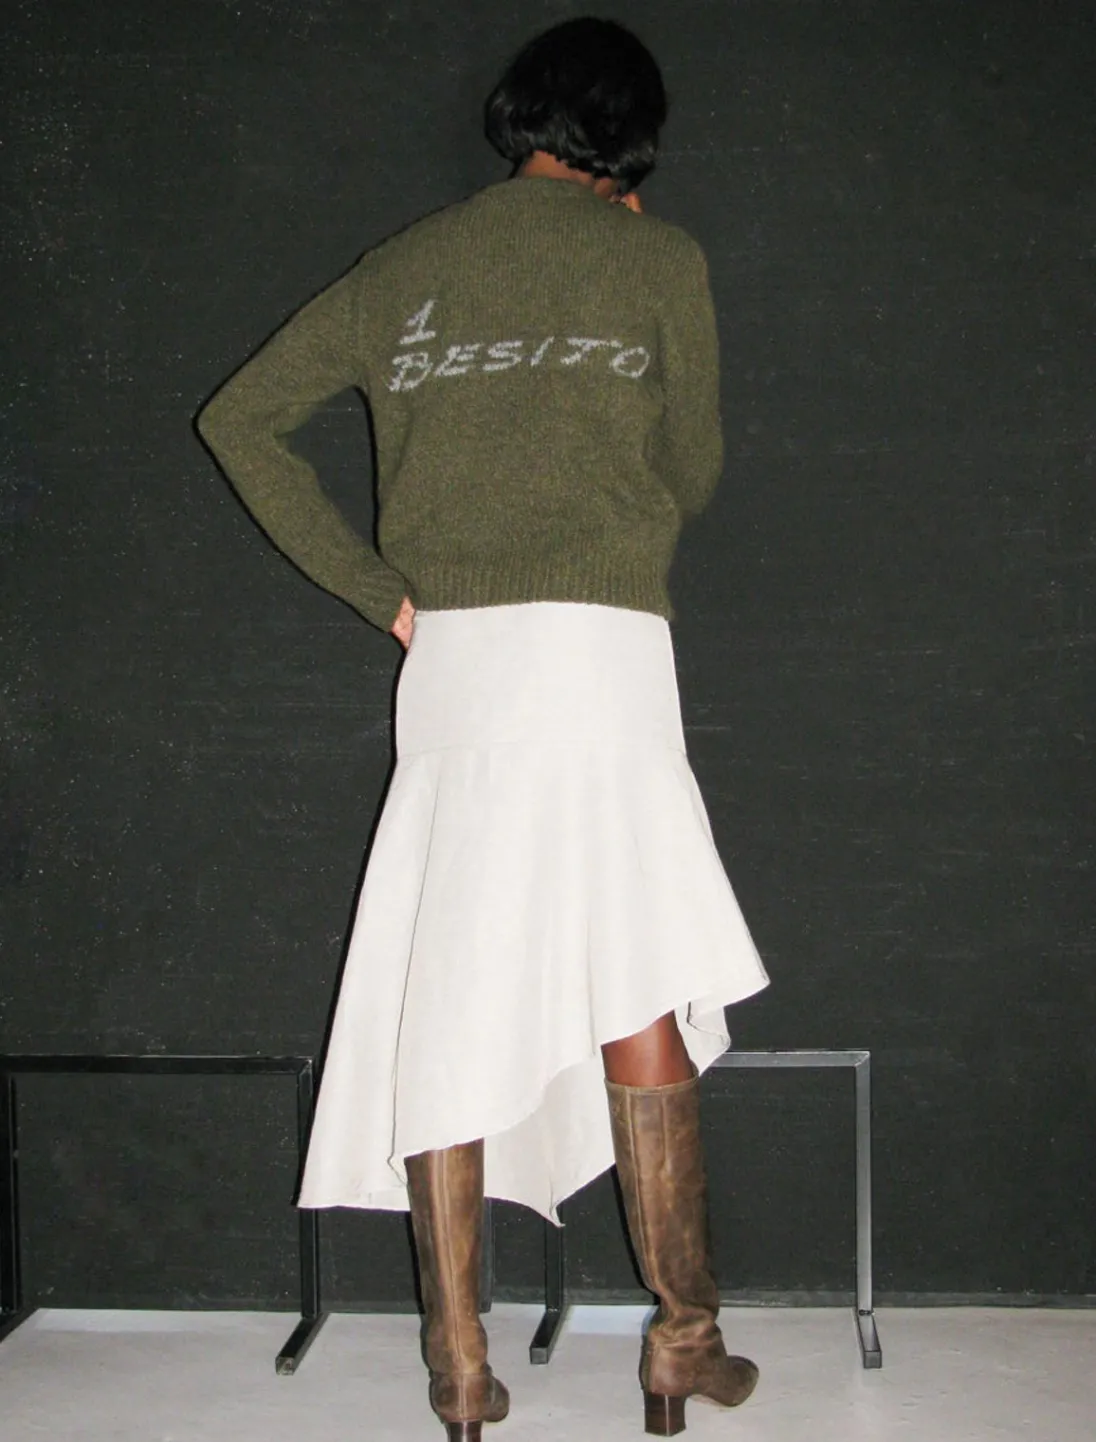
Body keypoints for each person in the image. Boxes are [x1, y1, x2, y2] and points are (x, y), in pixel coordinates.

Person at [197, 17, 769, 1439]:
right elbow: (696, 472)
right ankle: (683, 1340)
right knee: (639, 966)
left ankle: (459, 1368)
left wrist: (381, 594)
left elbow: (240, 419)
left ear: (520, 118)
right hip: (608, 654)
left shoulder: (408, 264)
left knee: (446, 978)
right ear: (629, 135)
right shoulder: (661, 262)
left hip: (457, 663)